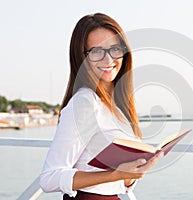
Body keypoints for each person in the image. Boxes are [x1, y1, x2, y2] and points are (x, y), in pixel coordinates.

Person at [39, 13, 163, 200]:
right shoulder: (85, 102)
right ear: (81, 57)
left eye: (114, 49)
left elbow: (118, 181)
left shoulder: (117, 105)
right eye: (96, 51)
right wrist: (116, 174)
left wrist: (131, 175)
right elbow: (49, 179)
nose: (108, 60)